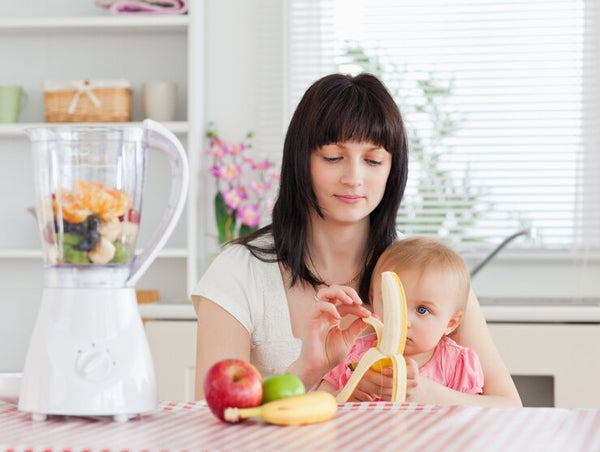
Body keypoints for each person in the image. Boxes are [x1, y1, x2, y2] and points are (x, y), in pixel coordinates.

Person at [192, 72, 521, 406]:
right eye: (334, 157)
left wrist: (422, 393)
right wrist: (309, 369)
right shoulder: (238, 272)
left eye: (373, 160)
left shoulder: (428, 270)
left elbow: (510, 407)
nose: (354, 178)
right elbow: (214, 417)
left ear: (392, 169)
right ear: (300, 161)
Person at [320, 236, 484, 400]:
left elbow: (476, 416)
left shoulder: (458, 364)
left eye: (422, 310)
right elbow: (320, 403)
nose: (404, 322)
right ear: (374, 300)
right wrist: (346, 396)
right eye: (393, 303)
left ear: (451, 323)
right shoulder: (353, 354)